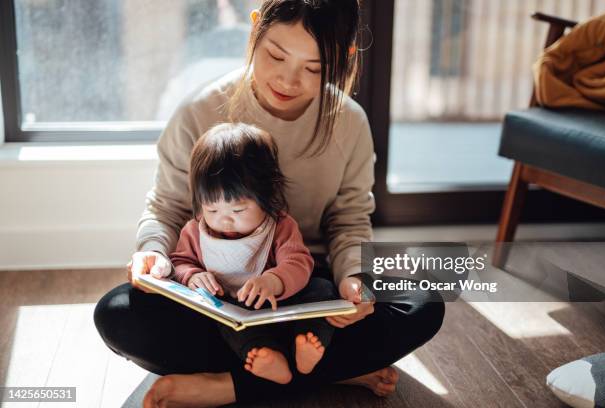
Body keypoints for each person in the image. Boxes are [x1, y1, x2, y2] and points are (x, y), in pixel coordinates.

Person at [94, 1, 445, 406]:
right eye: (276, 55)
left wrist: (355, 280)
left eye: (314, 67)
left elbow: (349, 222)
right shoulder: (199, 111)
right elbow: (167, 209)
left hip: (311, 287)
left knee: (422, 302)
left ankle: (229, 385)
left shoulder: (349, 122)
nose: (289, 78)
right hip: (218, 291)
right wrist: (153, 254)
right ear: (255, 29)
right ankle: (337, 369)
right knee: (117, 314)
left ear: (345, 57)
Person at [168, 122, 336, 384]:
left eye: (238, 211)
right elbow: (179, 261)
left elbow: (298, 262)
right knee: (222, 318)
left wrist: (273, 281)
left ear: (267, 197)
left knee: (323, 289)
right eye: (212, 210)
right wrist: (191, 275)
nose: (225, 220)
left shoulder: (279, 225)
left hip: (281, 309)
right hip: (234, 314)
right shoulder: (195, 231)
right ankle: (265, 356)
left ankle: (307, 346)